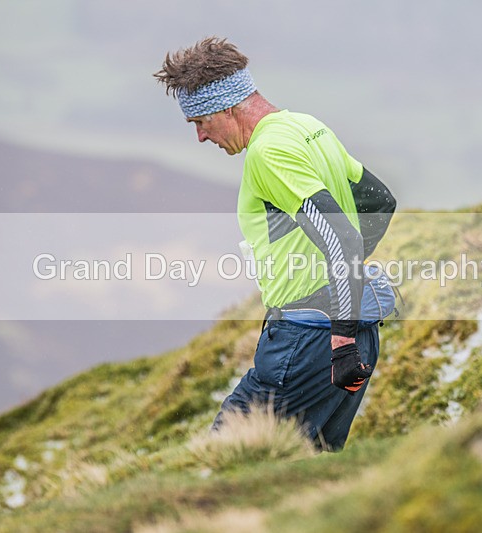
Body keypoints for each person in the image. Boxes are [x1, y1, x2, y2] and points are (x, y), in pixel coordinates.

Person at [154, 37, 395, 451]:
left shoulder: (268, 152)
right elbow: (379, 202)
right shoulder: (305, 126)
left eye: (199, 122)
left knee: (225, 457)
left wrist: (340, 338)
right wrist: (343, 285)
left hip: (310, 341)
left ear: (226, 107)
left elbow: (342, 235)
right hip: (346, 331)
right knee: (310, 468)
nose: (200, 137)